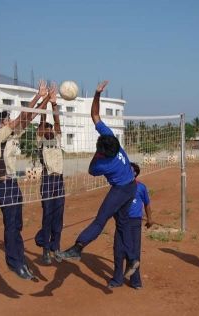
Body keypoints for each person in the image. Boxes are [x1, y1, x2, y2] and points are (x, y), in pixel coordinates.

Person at [58, 80, 140, 279]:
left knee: (100, 220)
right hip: (131, 187)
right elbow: (95, 115)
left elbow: (91, 170)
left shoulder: (102, 164)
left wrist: (96, 156)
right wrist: (97, 94)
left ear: (102, 153)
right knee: (121, 226)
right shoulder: (110, 137)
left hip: (120, 190)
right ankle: (132, 259)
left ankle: (78, 247)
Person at [0, 80, 52, 280]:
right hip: (2, 185)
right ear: (2, 124)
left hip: (13, 184)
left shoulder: (12, 134)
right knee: (10, 225)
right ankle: (14, 262)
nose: (10, 120)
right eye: (7, 118)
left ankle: (19, 259)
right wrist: (37, 95)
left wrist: (46, 100)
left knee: (17, 225)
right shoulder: (0, 134)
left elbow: (29, 117)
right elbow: (21, 118)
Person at [108, 162, 154, 289]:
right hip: (121, 222)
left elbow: (147, 204)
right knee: (118, 251)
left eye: (130, 170)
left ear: (135, 173)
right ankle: (117, 280)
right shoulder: (118, 187)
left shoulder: (141, 187)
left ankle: (135, 281)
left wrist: (150, 219)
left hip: (134, 223)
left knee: (134, 252)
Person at [34, 82, 65, 265]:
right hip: (47, 180)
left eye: (51, 128)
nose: (50, 129)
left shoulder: (57, 138)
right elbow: (41, 118)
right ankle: (45, 249)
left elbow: (57, 121)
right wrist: (45, 98)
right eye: (47, 128)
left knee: (59, 215)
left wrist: (55, 104)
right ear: (42, 131)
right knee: (48, 215)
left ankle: (56, 248)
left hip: (59, 180)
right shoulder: (41, 142)